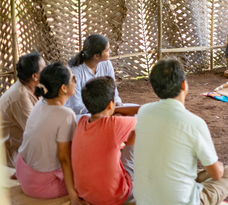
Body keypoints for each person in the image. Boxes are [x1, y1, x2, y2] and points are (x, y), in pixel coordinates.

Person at [134, 59, 228, 205]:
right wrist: (219, 167)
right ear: (183, 84)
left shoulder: (143, 112)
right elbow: (216, 175)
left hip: (143, 200)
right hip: (183, 201)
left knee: (184, 168)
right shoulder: (194, 123)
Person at [15, 62, 86, 205]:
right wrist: (73, 197)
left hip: (22, 170)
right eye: (73, 78)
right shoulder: (65, 114)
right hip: (39, 185)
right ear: (63, 88)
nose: (75, 81)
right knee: (89, 179)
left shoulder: (40, 103)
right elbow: (64, 159)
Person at [72, 76, 139, 205]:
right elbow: (143, 116)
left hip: (84, 193)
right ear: (110, 104)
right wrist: (117, 112)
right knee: (136, 131)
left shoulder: (82, 122)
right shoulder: (114, 124)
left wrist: (113, 111)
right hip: (116, 196)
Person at [0, 53, 46, 168]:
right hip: (11, 153)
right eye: (44, 69)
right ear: (35, 76)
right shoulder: (20, 96)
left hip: (24, 145)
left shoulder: (35, 87)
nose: (47, 71)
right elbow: (35, 134)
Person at [66, 34, 123, 115]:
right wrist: (101, 112)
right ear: (96, 56)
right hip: (80, 114)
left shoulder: (107, 64)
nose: (110, 52)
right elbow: (76, 106)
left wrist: (118, 105)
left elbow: (113, 92)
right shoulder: (74, 72)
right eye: (107, 50)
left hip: (103, 110)